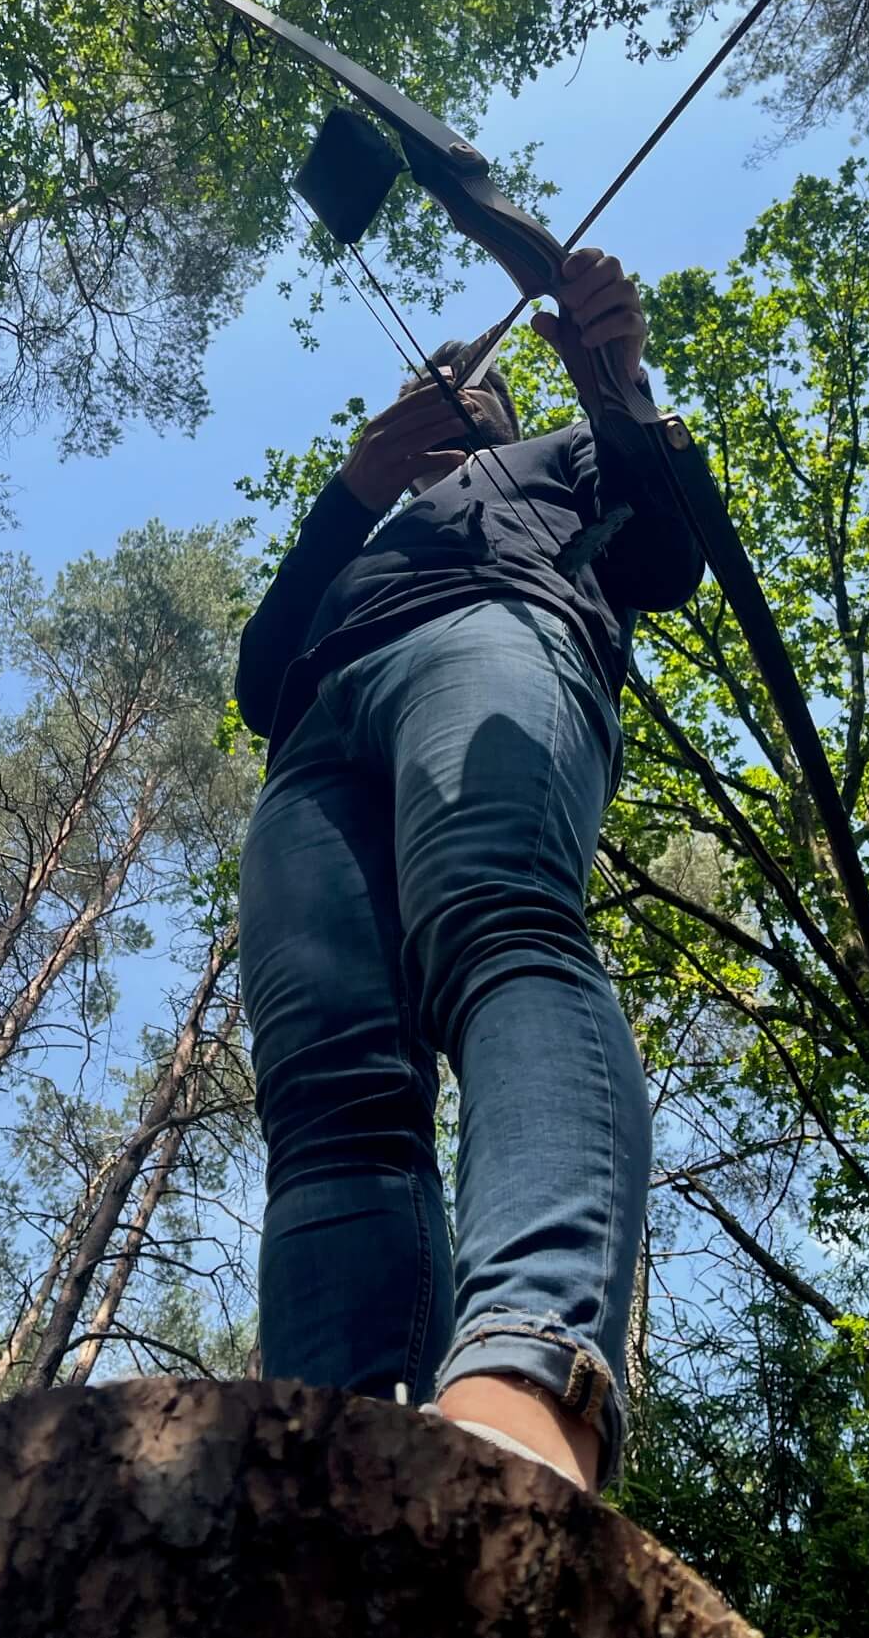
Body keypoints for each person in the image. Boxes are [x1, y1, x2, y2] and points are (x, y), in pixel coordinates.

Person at [235, 247, 704, 1494]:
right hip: (316, 731)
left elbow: (665, 560)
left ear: (503, 405)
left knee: (500, 923)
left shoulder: (563, 455)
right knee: (325, 1080)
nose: (451, 393)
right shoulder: (367, 527)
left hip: (499, 634)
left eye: (471, 386)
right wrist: (349, 493)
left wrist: (614, 381)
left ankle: (528, 1386)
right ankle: (334, 1465)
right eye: (427, 389)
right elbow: (260, 677)